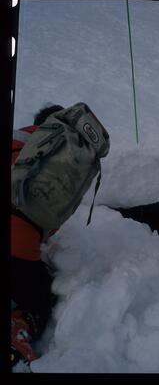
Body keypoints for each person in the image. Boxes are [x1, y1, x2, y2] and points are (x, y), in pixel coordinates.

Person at [11, 104, 64, 368]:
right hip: (18, 247)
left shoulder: (15, 138)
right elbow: (49, 223)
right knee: (42, 296)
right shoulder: (60, 158)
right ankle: (17, 330)